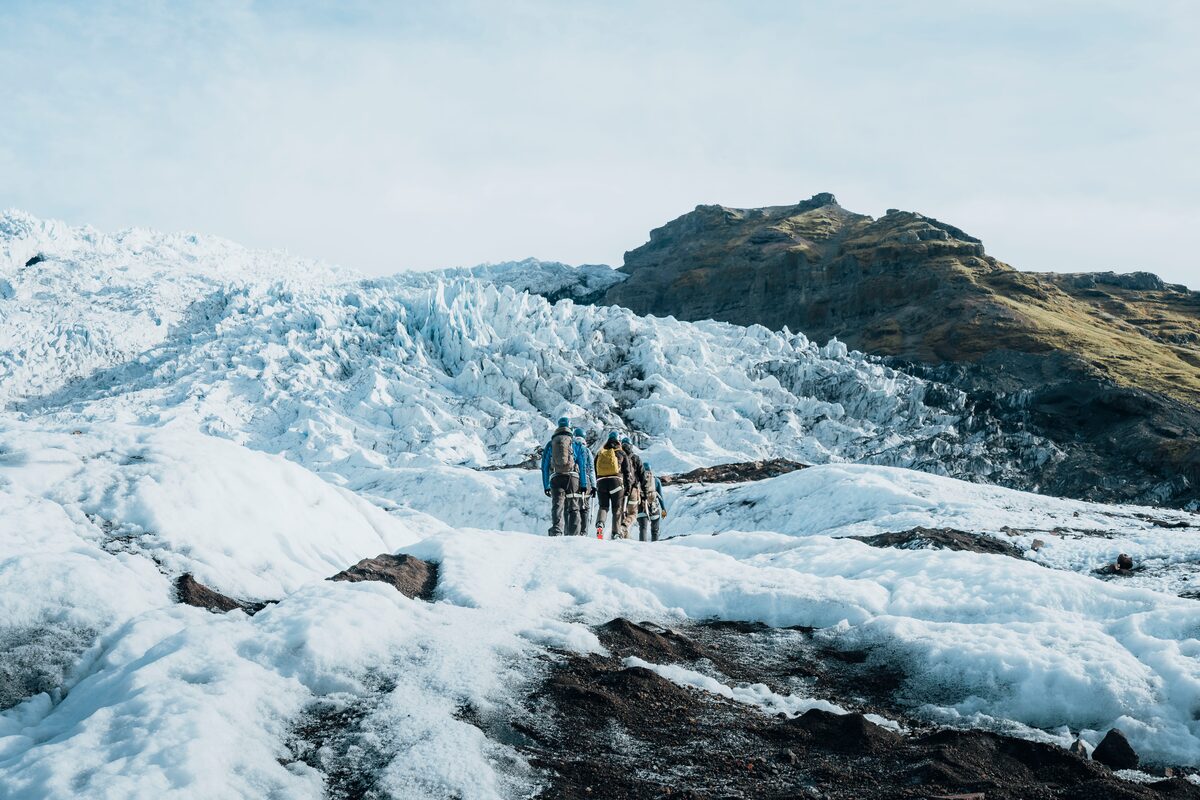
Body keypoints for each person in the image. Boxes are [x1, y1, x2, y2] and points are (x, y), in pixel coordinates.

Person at [541, 416, 589, 537]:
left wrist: (546, 485)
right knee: (573, 506)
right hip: (572, 478)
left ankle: (557, 530)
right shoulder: (575, 444)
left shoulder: (551, 444)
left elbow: (545, 466)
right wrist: (583, 484)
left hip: (556, 478)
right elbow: (582, 466)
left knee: (557, 505)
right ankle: (573, 535)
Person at [593, 432, 633, 539]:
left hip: (601, 482)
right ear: (618, 441)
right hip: (616, 483)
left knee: (603, 506)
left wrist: (598, 483)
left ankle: (600, 524)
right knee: (617, 508)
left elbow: (596, 471)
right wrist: (628, 488)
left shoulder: (600, 453)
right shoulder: (621, 453)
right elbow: (627, 472)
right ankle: (615, 533)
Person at [636, 461, 668, 542]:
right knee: (655, 531)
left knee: (643, 529)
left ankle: (641, 549)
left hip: (642, 507)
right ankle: (655, 549)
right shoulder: (656, 480)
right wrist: (663, 509)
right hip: (654, 508)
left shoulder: (637, 480)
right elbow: (660, 496)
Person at [620, 436, 645, 536]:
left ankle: (621, 534)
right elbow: (643, 475)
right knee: (633, 513)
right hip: (633, 489)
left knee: (621, 512)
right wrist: (644, 492)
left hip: (620, 488)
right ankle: (625, 526)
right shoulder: (636, 458)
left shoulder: (618, 457)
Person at [573, 427, 593, 535]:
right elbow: (591, 469)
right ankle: (584, 532)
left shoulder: (572, 447)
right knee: (585, 507)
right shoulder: (587, 450)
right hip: (587, 481)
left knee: (574, 505)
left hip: (574, 480)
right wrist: (593, 486)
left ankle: (574, 530)